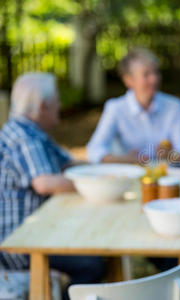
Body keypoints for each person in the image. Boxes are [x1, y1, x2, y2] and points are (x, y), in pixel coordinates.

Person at [0, 73, 105, 300]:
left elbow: (70, 164)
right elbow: (45, 183)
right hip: (18, 243)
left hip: (37, 233)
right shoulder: (23, 136)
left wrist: (106, 170)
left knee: (98, 246)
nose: (60, 105)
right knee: (92, 264)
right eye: (57, 100)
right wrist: (98, 184)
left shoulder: (33, 132)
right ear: (42, 106)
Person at [87, 48, 180, 164]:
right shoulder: (115, 108)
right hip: (128, 177)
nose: (154, 79)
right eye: (146, 74)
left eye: (156, 72)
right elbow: (94, 150)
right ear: (128, 80)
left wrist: (171, 154)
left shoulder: (174, 106)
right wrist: (126, 160)